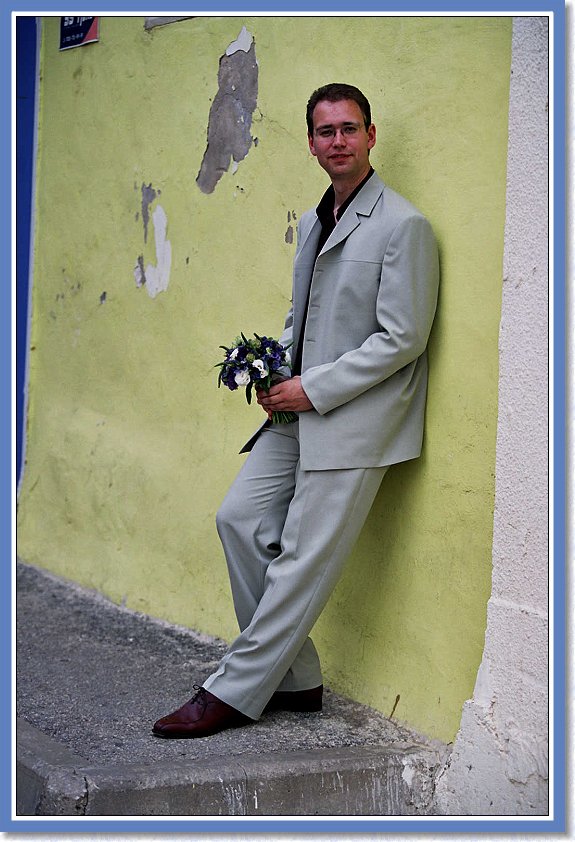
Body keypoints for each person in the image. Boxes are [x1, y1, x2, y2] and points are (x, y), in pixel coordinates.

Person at [153, 83, 439, 739]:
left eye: (348, 128)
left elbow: (403, 338)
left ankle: (232, 690)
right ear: (310, 143)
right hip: (296, 409)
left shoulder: (403, 225)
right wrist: (274, 370)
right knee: (239, 520)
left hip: (357, 422)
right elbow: (301, 317)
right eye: (325, 131)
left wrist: (312, 388)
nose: (337, 141)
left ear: (371, 136)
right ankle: (297, 678)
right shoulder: (313, 222)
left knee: (299, 561)